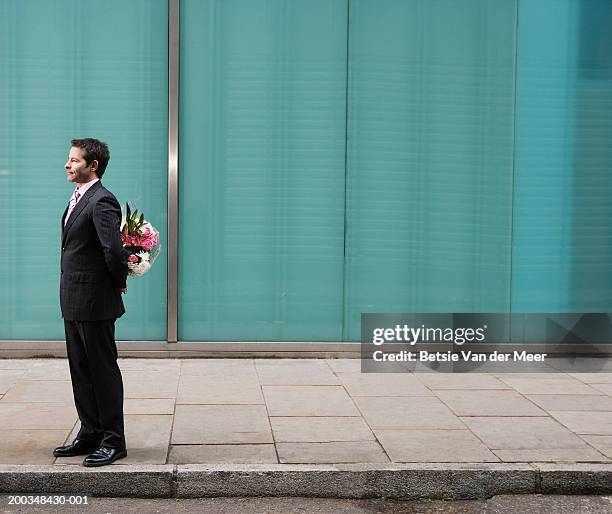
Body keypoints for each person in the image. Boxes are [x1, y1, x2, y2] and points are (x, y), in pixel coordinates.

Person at [53, 138, 129, 467]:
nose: (68, 165)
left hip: (95, 301)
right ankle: (90, 432)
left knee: (102, 371)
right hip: (73, 298)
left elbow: (112, 251)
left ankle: (113, 439)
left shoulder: (102, 201)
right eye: (68, 160)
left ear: (92, 166)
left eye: (74, 160)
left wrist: (119, 281)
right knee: (80, 371)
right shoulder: (78, 197)